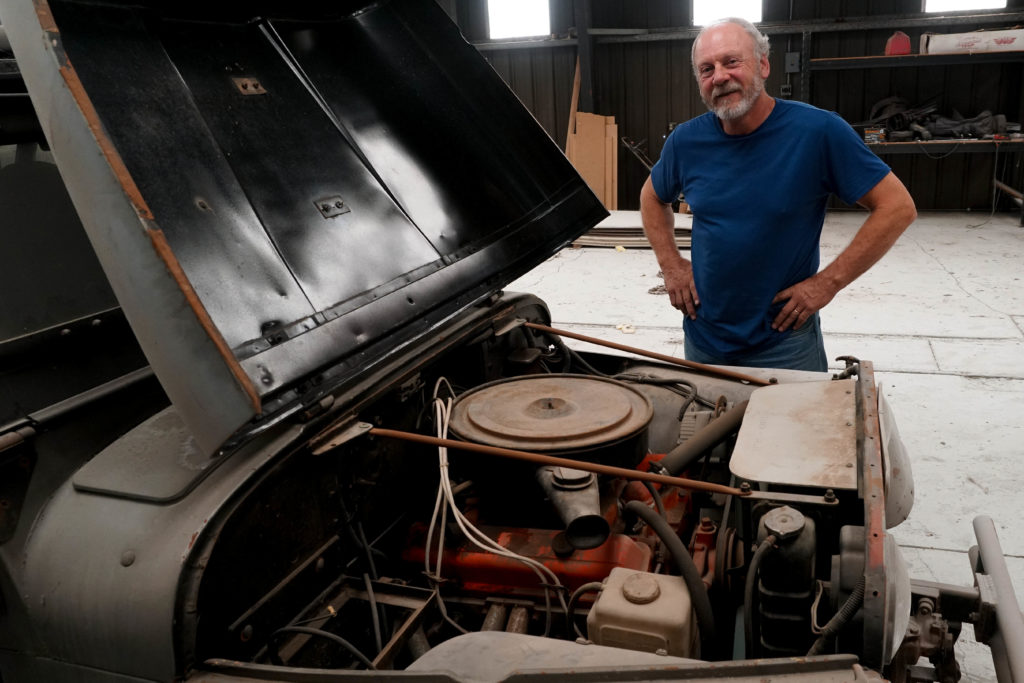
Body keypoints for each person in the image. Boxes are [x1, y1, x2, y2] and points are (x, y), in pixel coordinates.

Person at [640, 17, 916, 371]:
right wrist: (672, 266)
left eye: (731, 61)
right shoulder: (686, 141)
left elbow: (897, 207)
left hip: (785, 343)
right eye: (706, 69)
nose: (720, 76)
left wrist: (826, 284)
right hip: (704, 338)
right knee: (708, 426)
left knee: (793, 427)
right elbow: (652, 196)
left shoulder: (817, 132)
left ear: (764, 64)